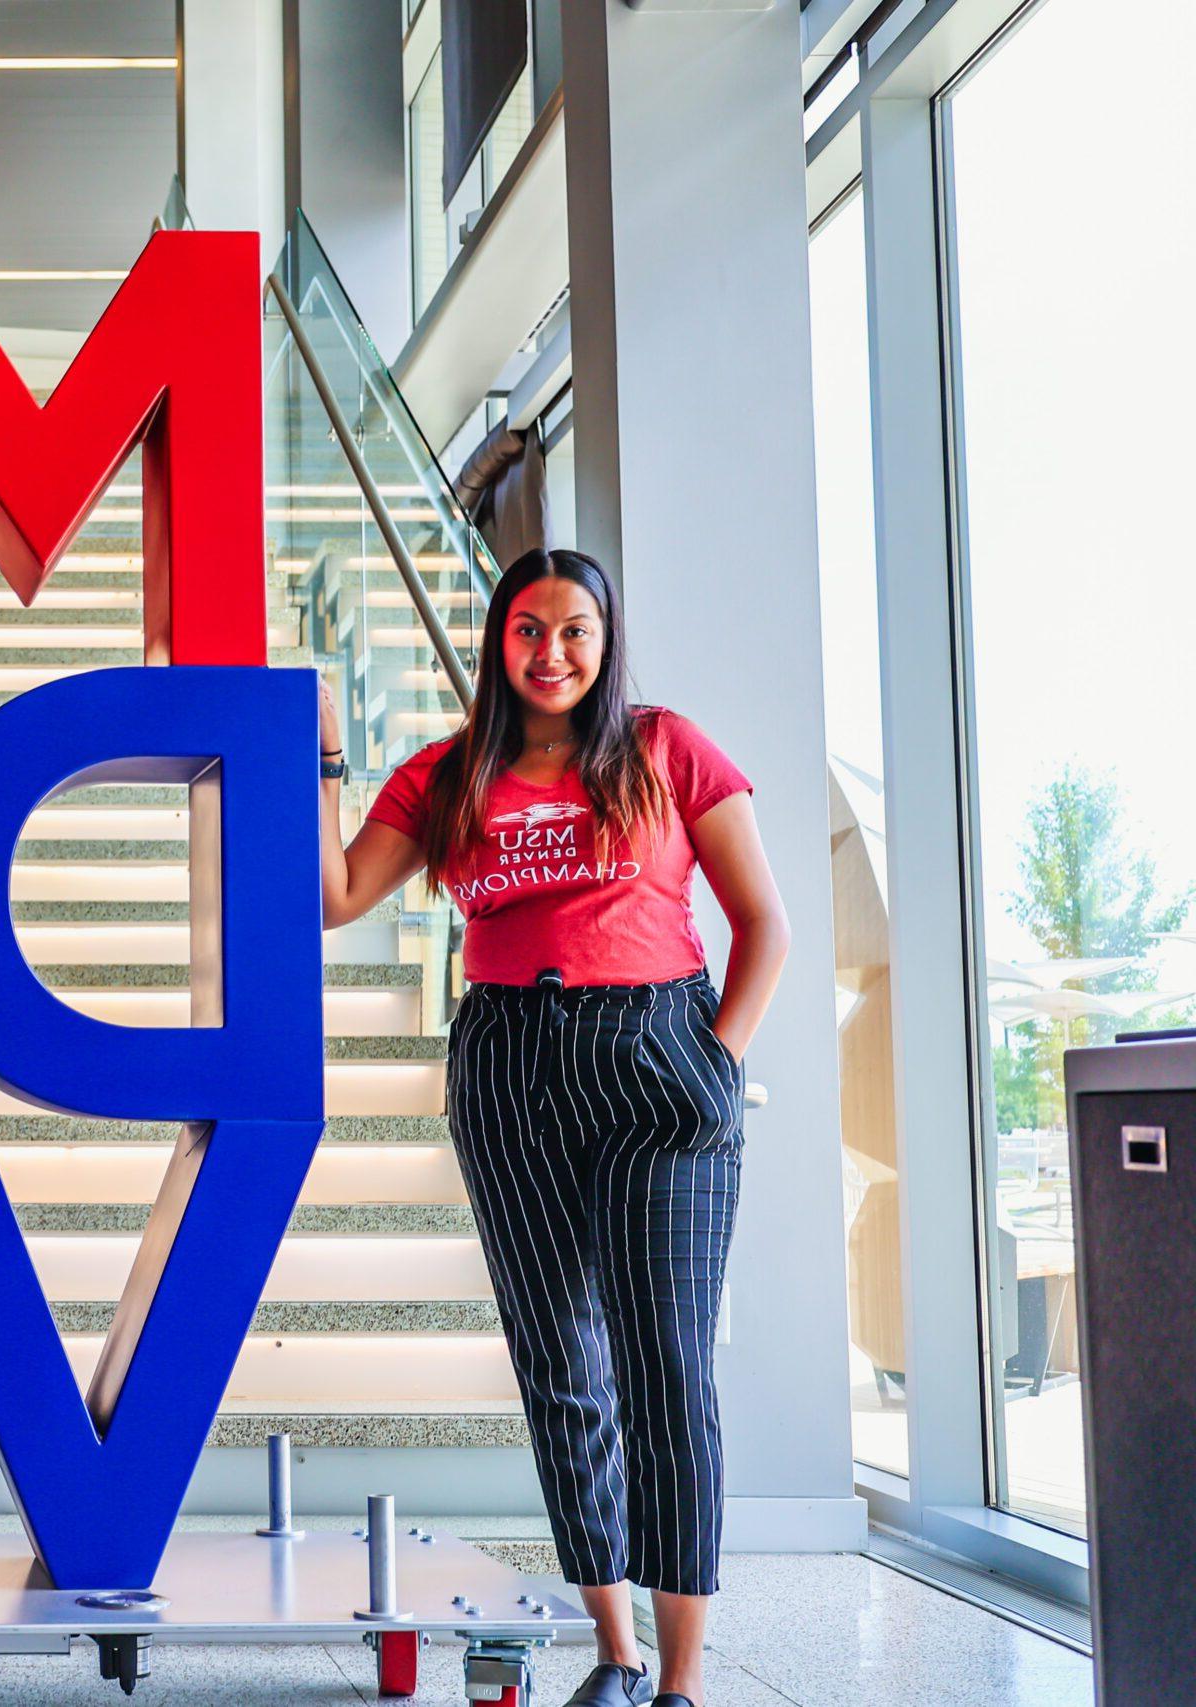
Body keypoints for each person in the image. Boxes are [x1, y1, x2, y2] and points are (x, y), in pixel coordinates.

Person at [317, 548, 788, 1707]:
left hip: (654, 1060)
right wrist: (322, 756)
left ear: (605, 638)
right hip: (510, 1065)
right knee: (559, 1365)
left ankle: (680, 1680)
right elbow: (331, 898)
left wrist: (713, 1062)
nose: (551, 653)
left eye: (574, 630)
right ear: (498, 641)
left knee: (666, 1370)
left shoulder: (666, 748)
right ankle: (616, 1652)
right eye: (529, 630)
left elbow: (760, 919)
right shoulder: (446, 775)